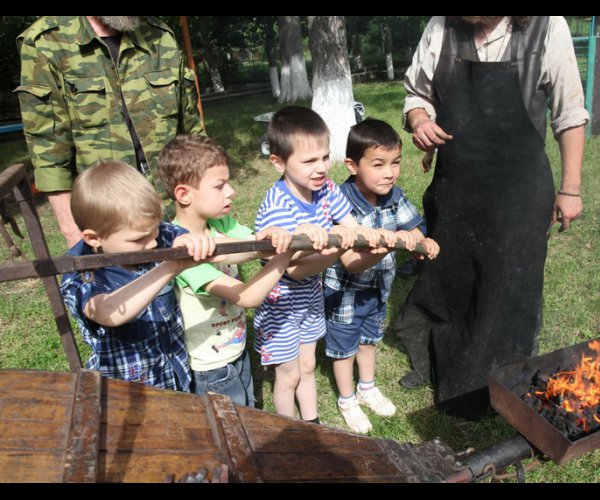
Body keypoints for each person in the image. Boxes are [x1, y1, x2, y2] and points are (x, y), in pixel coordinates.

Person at [395, 17, 589, 419]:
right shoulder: (441, 27)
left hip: (519, 188)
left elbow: (569, 112)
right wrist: (420, 122)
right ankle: (445, 365)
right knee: (453, 277)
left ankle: (501, 380)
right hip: (458, 185)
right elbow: (417, 95)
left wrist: (570, 188)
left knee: (509, 283)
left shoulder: (546, 27)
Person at [15, 16, 204, 248]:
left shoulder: (159, 35)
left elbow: (192, 134)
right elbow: (49, 152)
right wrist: (73, 233)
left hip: (175, 207)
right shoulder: (47, 41)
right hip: (108, 220)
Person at [254, 106, 383, 424]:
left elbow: (349, 224)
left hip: (310, 296)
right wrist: (334, 245)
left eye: (325, 157)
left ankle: (311, 423)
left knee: (308, 366)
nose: (321, 168)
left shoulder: (325, 189)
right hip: (280, 301)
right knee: (288, 374)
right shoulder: (278, 204)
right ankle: (287, 427)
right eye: (309, 161)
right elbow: (294, 268)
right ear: (278, 162)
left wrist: (362, 234)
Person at [158, 134, 297, 407]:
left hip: (236, 349)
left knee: (249, 411)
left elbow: (250, 246)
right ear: (184, 194)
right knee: (231, 429)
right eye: (220, 186)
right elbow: (246, 298)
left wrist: (269, 237)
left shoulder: (220, 225)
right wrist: (284, 254)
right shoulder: (182, 253)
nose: (231, 191)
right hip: (211, 367)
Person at [60, 160, 220, 391]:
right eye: (138, 239)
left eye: (155, 229)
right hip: (126, 394)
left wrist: (264, 241)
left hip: (177, 377)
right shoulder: (82, 275)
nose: (154, 241)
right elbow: (109, 312)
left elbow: (218, 250)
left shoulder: (154, 238)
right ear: (94, 238)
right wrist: (169, 267)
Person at [323, 119, 440, 434]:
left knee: (369, 340)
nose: (389, 172)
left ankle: (368, 387)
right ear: (352, 165)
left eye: (395, 163)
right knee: (344, 348)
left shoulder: (394, 196)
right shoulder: (340, 202)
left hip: (377, 289)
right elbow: (350, 262)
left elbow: (413, 229)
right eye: (378, 164)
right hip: (344, 293)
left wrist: (422, 242)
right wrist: (389, 244)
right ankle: (347, 399)